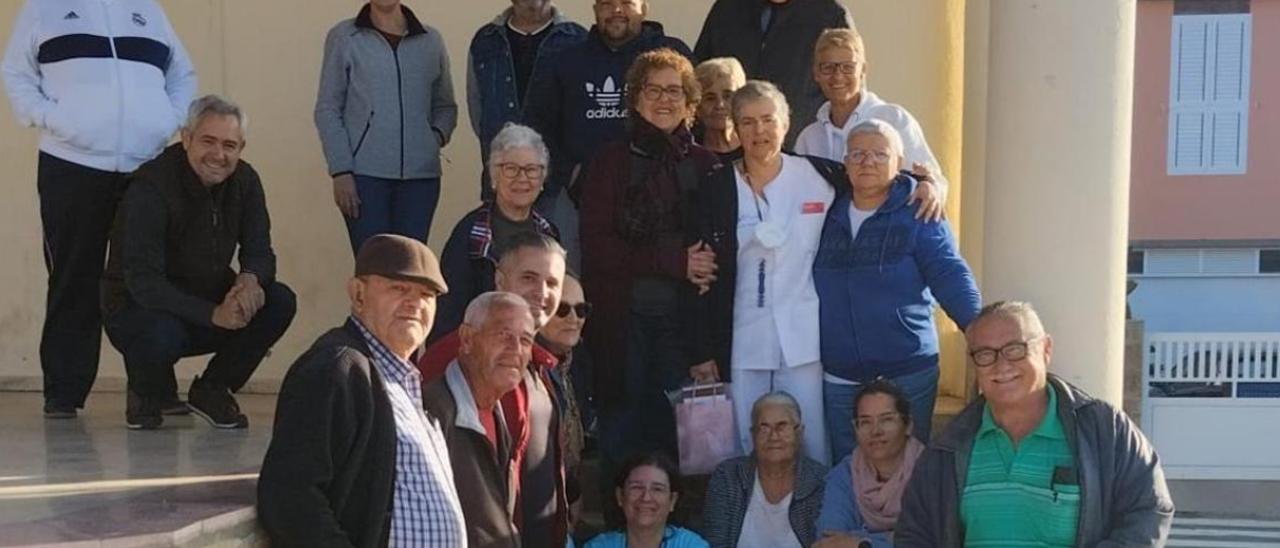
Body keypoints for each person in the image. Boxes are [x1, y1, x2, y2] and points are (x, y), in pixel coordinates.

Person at [2, 0, 196, 418]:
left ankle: (153, 391)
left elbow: (182, 73)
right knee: (74, 276)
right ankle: (64, 393)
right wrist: (52, 118)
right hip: (71, 164)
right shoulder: (44, 8)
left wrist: (168, 119)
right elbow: (15, 73)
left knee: (145, 278)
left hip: (144, 164)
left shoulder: (149, 10)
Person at [897, 301, 1176, 547]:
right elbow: (915, 532)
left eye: (1015, 349)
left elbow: (1149, 511)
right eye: (985, 354)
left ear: (1046, 349)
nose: (1001, 365)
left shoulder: (1105, 430)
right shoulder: (948, 446)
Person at [578, 48, 721, 506]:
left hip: (684, 329)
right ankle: (621, 531)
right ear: (635, 99)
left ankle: (681, 532)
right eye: (653, 90)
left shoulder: (706, 166)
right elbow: (597, 247)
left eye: (675, 91)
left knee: (685, 440)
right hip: (622, 324)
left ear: (690, 102)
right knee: (623, 430)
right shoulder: (607, 163)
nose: (664, 100)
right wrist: (674, 261)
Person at [100, 95, 295, 430]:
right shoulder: (150, 187)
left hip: (207, 298)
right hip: (140, 309)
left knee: (278, 300)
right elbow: (144, 282)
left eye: (230, 145)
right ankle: (147, 392)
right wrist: (213, 314)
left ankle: (213, 389)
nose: (219, 155)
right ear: (186, 138)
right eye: (208, 141)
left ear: (241, 148)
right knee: (160, 332)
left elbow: (260, 251)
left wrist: (249, 280)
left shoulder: (246, 181)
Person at [258, 235, 465, 547]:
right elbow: (289, 493)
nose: (415, 303)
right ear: (358, 294)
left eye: (427, 294)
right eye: (399, 288)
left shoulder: (403, 382)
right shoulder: (337, 368)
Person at [814, 119, 979, 461]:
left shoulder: (918, 210)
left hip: (906, 369)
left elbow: (948, 271)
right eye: (857, 154)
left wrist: (978, 329)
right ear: (845, 162)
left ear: (898, 161)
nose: (867, 162)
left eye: (879, 154)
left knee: (907, 469)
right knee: (850, 469)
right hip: (841, 375)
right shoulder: (826, 213)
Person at [419, 233, 571, 548]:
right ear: (499, 279)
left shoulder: (539, 366)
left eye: (552, 283)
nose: (542, 292)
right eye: (529, 277)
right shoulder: (460, 357)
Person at [524, 0, 692, 266]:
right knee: (571, 284)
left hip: (664, 198)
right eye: (607, 3)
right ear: (595, 9)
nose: (616, 10)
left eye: (626, 3)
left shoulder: (672, 55)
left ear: (644, 8)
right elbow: (539, 125)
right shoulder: (567, 59)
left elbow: (693, 115)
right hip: (578, 198)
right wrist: (569, 173)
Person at [316, 0, 457, 254]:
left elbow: (446, 106)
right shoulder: (345, 37)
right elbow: (328, 109)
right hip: (364, 179)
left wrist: (433, 138)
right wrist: (341, 171)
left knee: (410, 267)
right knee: (374, 267)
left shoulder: (430, 40)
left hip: (420, 180)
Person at [424, 292, 536, 548]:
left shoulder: (498, 412)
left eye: (526, 340)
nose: (515, 350)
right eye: (503, 335)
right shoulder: (432, 411)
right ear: (467, 339)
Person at [432, 123, 561, 343]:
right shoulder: (469, 233)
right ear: (493, 176)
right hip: (482, 348)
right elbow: (449, 314)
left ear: (542, 180)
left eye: (531, 169)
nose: (522, 178)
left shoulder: (549, 233)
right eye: (511, 168)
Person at [795, 28, 949, 197]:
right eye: (828, 68)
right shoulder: (809, 138)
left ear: (863, 71)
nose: (838, 76)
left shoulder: (894, 120)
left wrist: (930, 186)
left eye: (848, 67)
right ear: (816, 73)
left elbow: (934, 184)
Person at [467, 0, 585, 200]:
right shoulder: (485, 41)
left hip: (560, 187)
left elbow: (585, 113)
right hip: (502, 184)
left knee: (558, 233)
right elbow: (477, 110)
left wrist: (574, 174)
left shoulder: (578, 41)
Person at [693, 0, 852, 145]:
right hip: (728, 151)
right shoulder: (728, 9)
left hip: (798, 148)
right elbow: (697, 81)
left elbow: (848, 91)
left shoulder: (828, 15)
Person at [703, 391, 827, 548]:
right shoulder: (728, 476)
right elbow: (715, 542)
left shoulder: (821, 481)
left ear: (799, 432)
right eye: (764, 428)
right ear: (753, 434)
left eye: (782, 427)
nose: (773, 436)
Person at [815, 380, 924, 548]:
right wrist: (891, 539)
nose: (876, 431)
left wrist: (861, 543)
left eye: (886, 420)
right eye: (865, 422)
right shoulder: (845, 474)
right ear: (855, 428)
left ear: (908, 425)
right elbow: (828, 542)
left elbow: (931, 540)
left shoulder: (931, 471)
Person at [585, 452, 710, 548]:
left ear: (672, 500)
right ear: (620, 496)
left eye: (657, 489)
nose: (646, 498)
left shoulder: (691, 546)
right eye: (637, 487)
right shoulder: (598, 546)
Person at [693, 57, 745, 161]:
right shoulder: (689, 154)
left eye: (727, 96)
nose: (720, 105)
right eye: (710, 98)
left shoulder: (756, 149)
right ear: (697, 107)